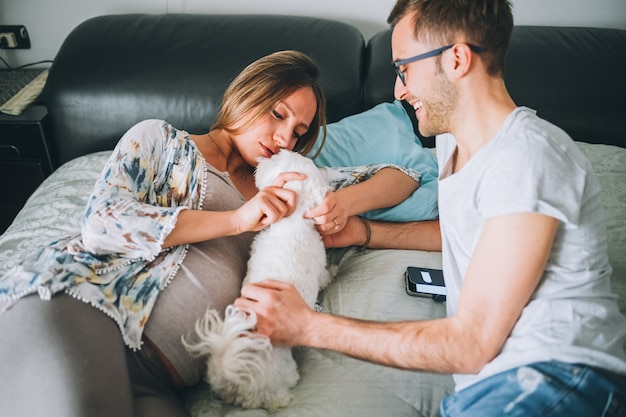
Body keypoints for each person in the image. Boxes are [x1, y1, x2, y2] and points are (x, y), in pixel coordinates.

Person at [234, 2, 626, 416]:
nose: (399, 91)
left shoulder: (526, 157)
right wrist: (365, 232)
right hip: (501, 384)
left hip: (560, 380)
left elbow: (471, 345)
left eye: (404, 68)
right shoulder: (454, 146)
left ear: (456, 59)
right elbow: (472, 236)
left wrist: (308, 326)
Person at [0, 50, 421, 417]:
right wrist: (237, 220)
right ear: (246, 93)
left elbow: (403, 177)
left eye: (298, 131)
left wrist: (344, 205)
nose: (284, 136)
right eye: (278, 113)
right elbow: (103, 223)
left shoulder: (288, 179)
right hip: (83, 306)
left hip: (160, 378)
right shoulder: (161, 141)